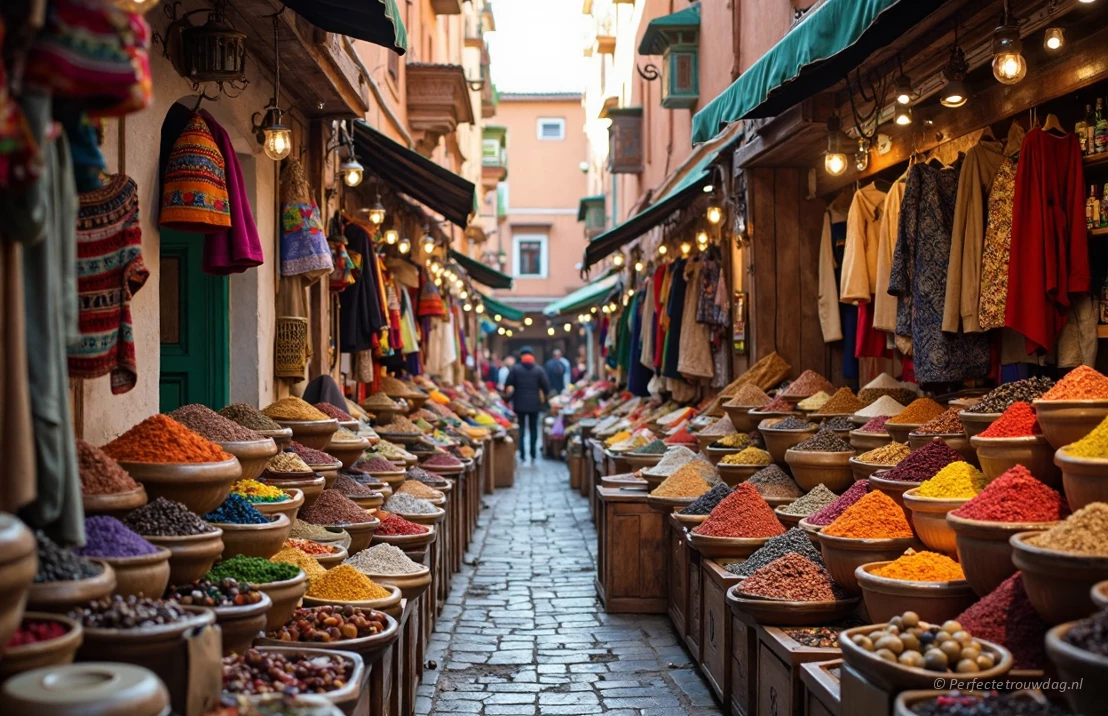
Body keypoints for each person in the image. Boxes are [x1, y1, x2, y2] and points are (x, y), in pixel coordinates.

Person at [504, 346, 549, 463]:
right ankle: (533, 453)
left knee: (522, 429)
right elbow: (546, 387)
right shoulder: (538, 370)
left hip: (520, 404)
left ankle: (522, 454)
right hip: (534, 404)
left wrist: (508, 398)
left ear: (521, 356)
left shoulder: (516, 369)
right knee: (534, 429)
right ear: (532, 356)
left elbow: (508, 384)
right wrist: (545, 398)